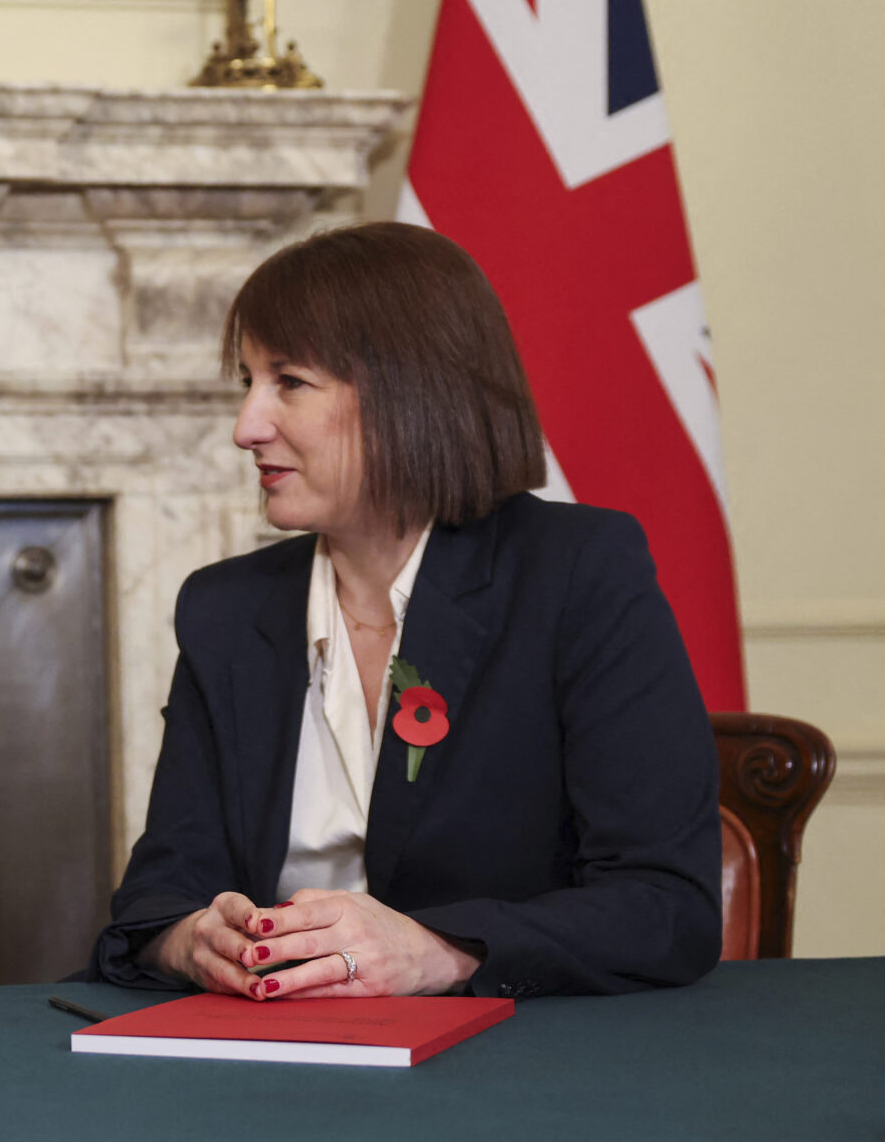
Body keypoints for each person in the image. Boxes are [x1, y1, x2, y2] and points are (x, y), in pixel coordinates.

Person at [97, 221, 721, 1001]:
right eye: (247, 383)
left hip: (514, 1069)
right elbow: (156, 896)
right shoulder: (226, 607)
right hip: (266, 1061)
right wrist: (194, 939)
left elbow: (666, 907)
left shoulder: (578, 572)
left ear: (407, 390)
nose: (245, 427)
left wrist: (438, 952)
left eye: (288, 381)